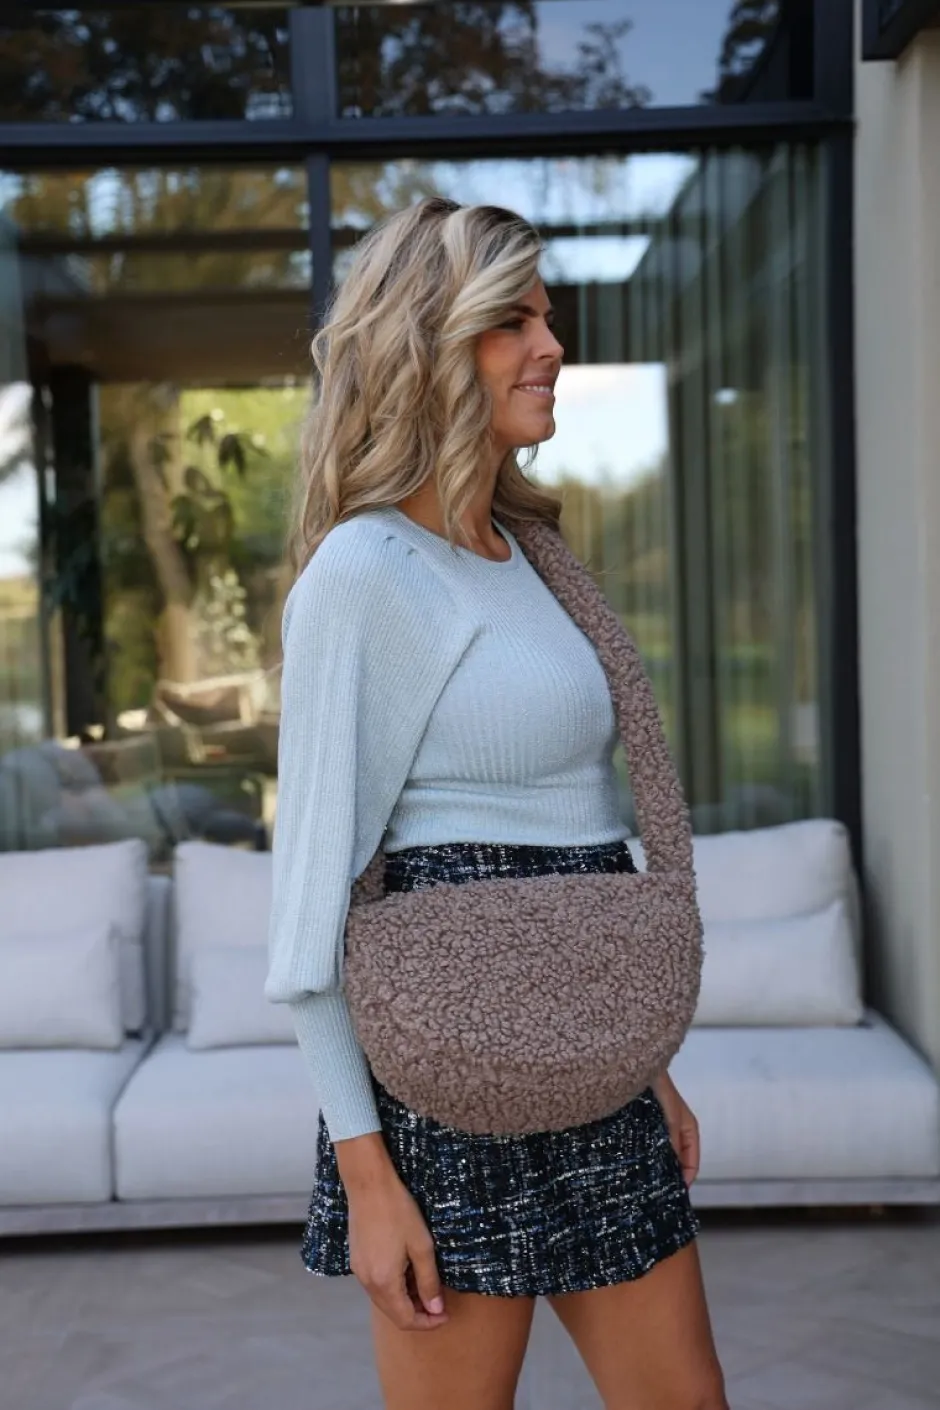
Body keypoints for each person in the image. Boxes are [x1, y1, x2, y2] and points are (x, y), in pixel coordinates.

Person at [265, 197, 729, 1410]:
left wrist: (638, 1055)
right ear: (428, 344)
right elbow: (309, 912)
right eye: (511, 321)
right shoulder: (367, 573)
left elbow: (580, 826)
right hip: (444, 1062)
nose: (550, 346)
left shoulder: (531, 554)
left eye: (547, 318)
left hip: (587, 1038)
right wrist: (368, 1176)